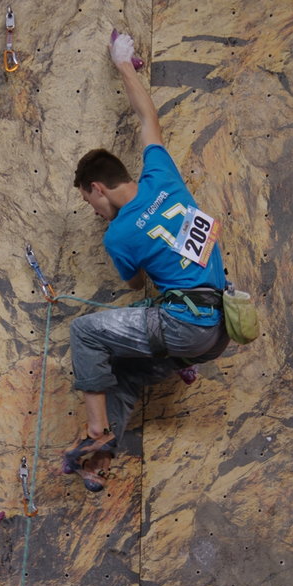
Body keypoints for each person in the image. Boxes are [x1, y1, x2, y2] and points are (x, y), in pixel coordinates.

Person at [63, 32, 229, 492]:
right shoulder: (162, 174)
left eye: (90, 202)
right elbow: (147, 117)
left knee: (84, 332)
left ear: (97, 188)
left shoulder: (118, 234)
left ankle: (95, 431)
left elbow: (136, 284)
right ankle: (100, 460)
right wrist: (123, 63)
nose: (95, 212)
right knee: (124, 376)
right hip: (216, 333)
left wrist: (129, 241)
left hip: (183, 325)